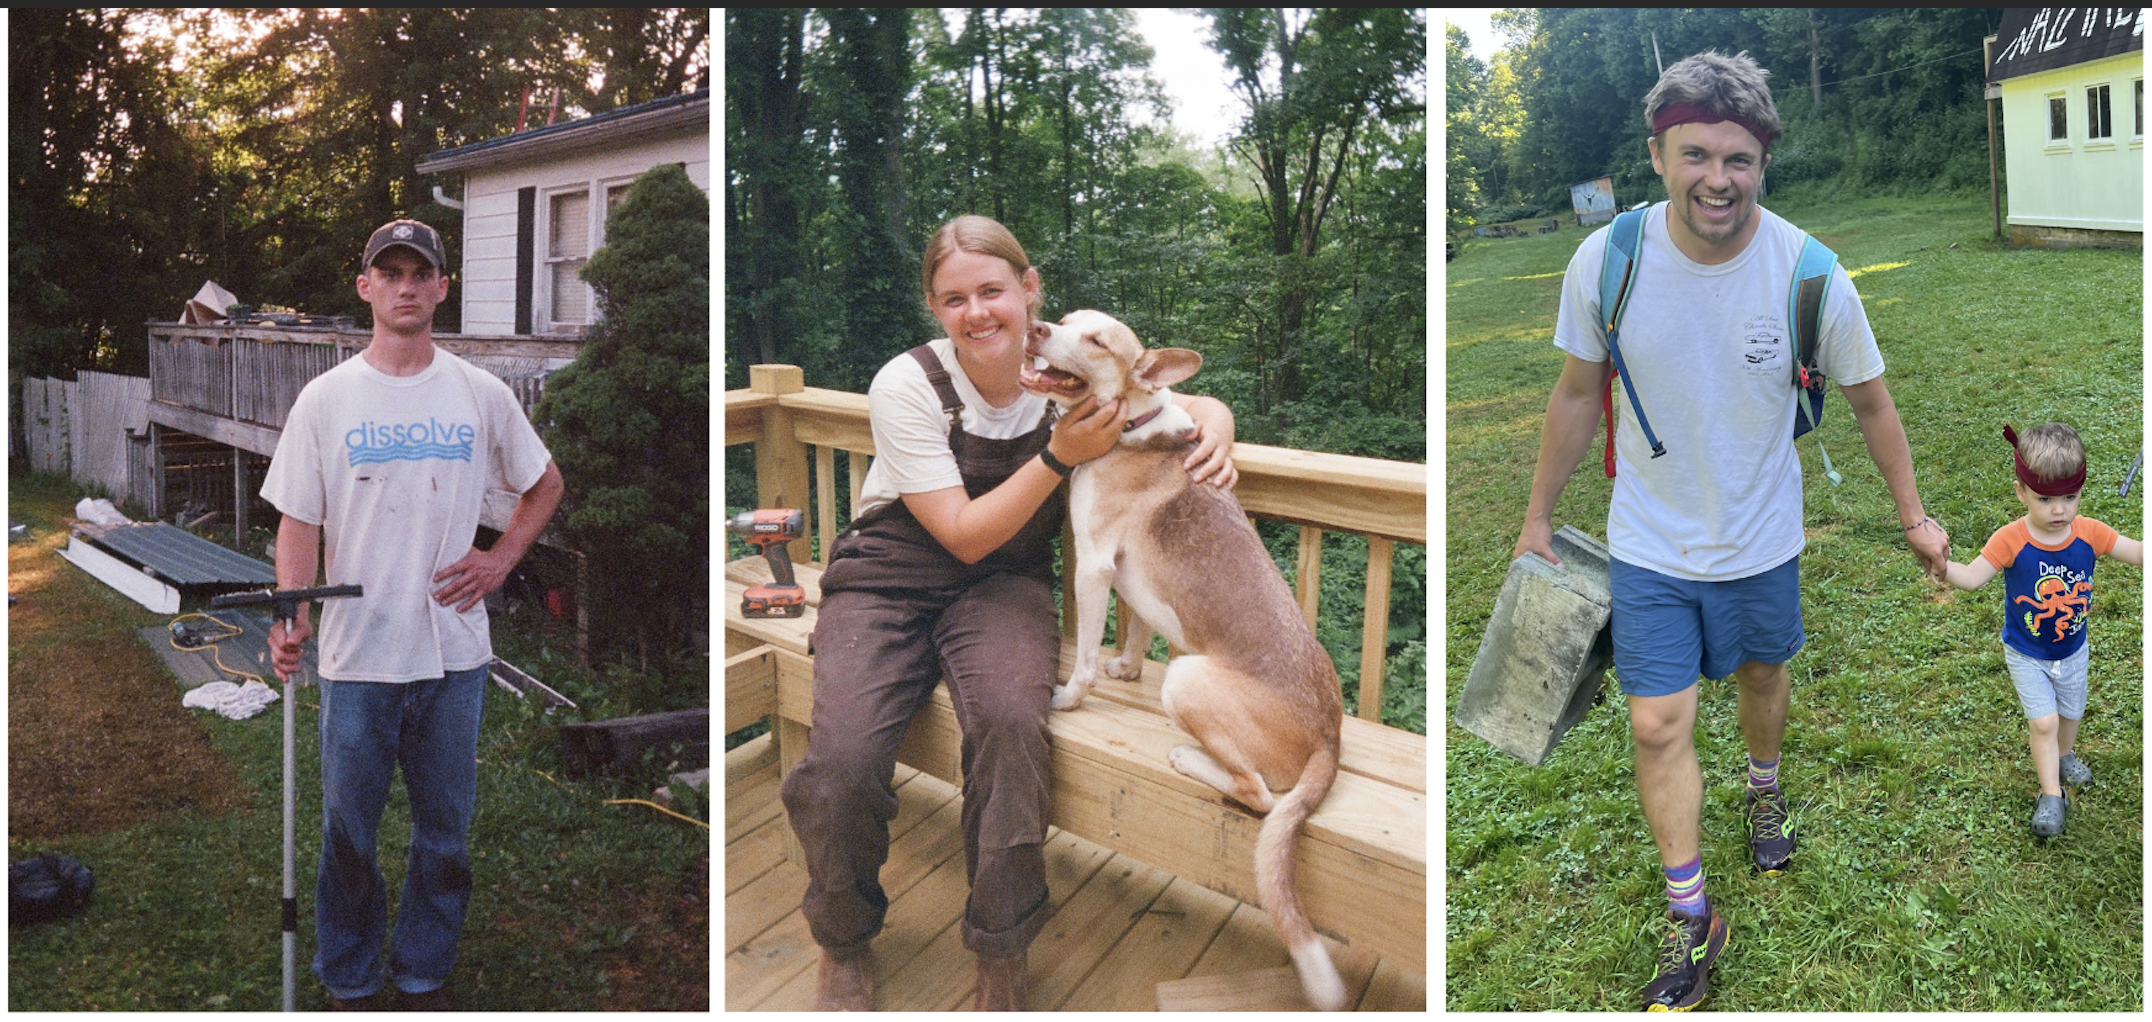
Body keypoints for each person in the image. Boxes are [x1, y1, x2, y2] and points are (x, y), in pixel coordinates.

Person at [1508, 52, 1950, 1011]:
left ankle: (1763, 783)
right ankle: (1690, 914)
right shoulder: (1609, 261)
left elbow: (1873, 405)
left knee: (1761, 680)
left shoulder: (1809, 274)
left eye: (1739, 159)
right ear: (1658, 154)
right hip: (1650, 542)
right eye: (1697, 155)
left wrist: (1913, 518)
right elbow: (1578, 394)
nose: (1719, 179)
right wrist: (1537, 516)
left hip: (1760, 538)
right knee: (1656, 721)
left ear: (1763, 162)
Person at [778, 214, 1237, 1011]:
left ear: (1029, 290)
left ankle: (1002, 949)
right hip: (888, 576)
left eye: (992, 291)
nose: (977, 312)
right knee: (843, 762)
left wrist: (1218, 428)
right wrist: (1059, 456)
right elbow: (959, 533)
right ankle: (843, 941)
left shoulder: (1069, 370)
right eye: (954, 299)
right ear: (934, 308)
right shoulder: (906, 384)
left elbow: (1179, 393)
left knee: (1013, 732)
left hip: (1005, 583)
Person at [261, 218, 564, 1011]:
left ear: (441, 288)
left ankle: (424, 971)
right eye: (389, 273)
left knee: (444, 835)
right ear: (365, 287)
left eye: (419, 273)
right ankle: (351, 974)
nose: (405, 286)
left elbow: (545, 485)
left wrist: (500, 560)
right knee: (348, 833)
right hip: (359, 656)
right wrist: (291, 614)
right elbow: (298, 519)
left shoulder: (479, 393)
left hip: (453, 656)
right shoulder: (326, 400)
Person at [1941, 423, 2141, 837]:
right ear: (2021, 492)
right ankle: (2052, 794)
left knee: (2071, 714)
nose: (2059, 510)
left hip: (2073, 649)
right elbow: (1973, 577)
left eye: (2070, 497)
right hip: (2026, 652)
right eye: (2045, 499)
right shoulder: (2010, 539)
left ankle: (2064, 755)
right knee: (2045, 722)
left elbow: (2139, 553)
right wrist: (1942, 568)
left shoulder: (2091, 533)